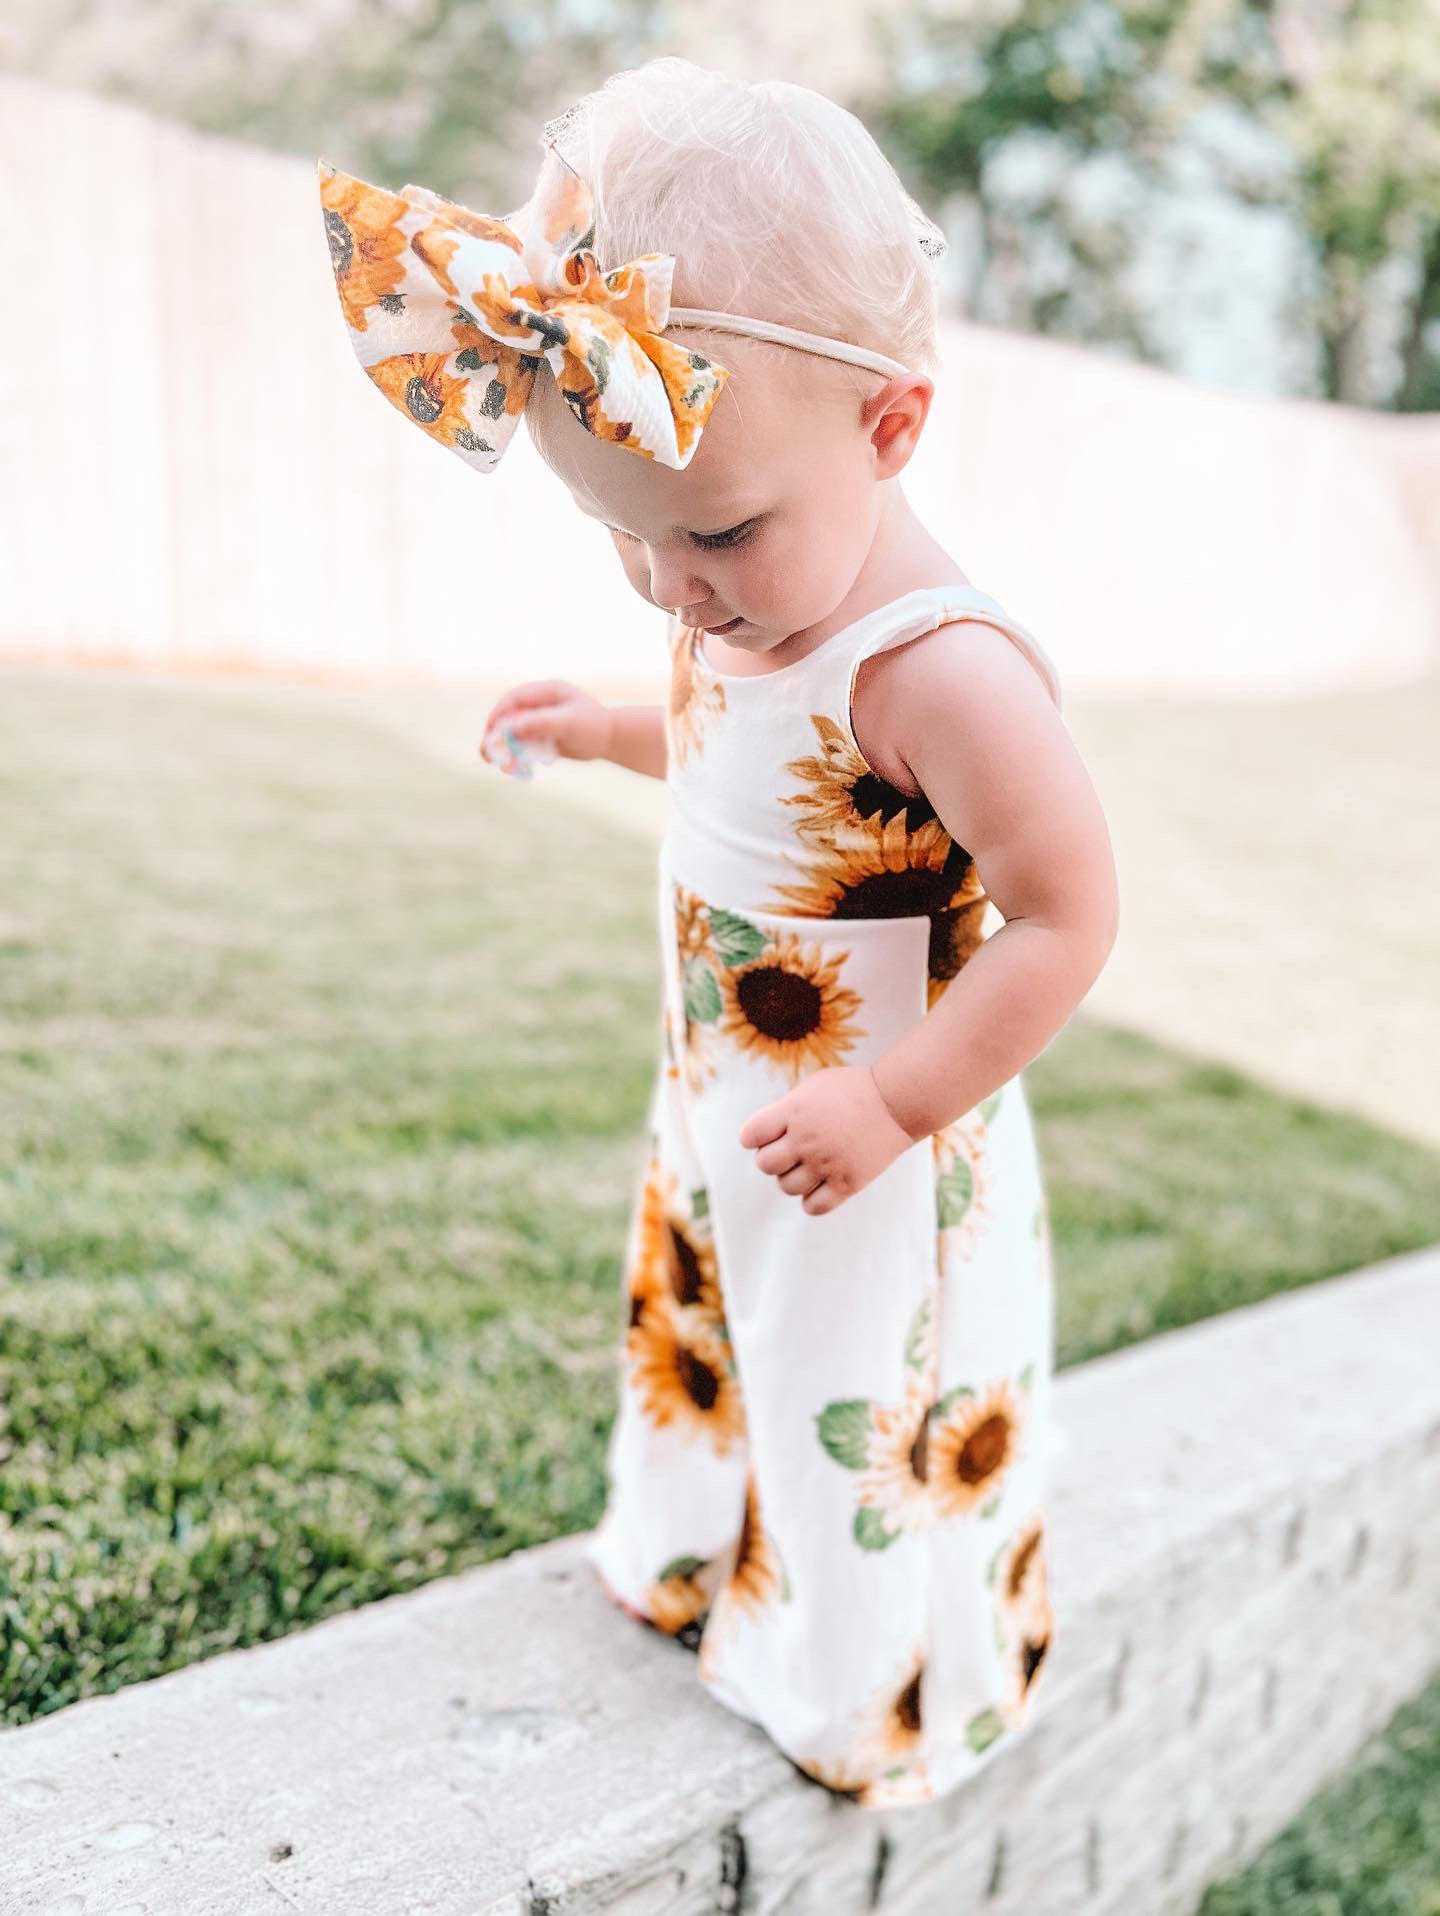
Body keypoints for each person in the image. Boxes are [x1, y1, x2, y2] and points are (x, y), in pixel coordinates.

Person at [317, 56, 1119, 1810]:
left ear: (891, 426)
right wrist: (614, 722)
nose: (676, 590)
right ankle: (691, 1558)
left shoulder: (943, 668)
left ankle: (858, 1689)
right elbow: (743, 742)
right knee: (709, 1319)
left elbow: (1069, 917)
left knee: (847, 1402)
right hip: (727, 1084)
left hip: (873, 1132)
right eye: (624, 542)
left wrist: (895, 1106)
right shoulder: (749, 576)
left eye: (711, 536)